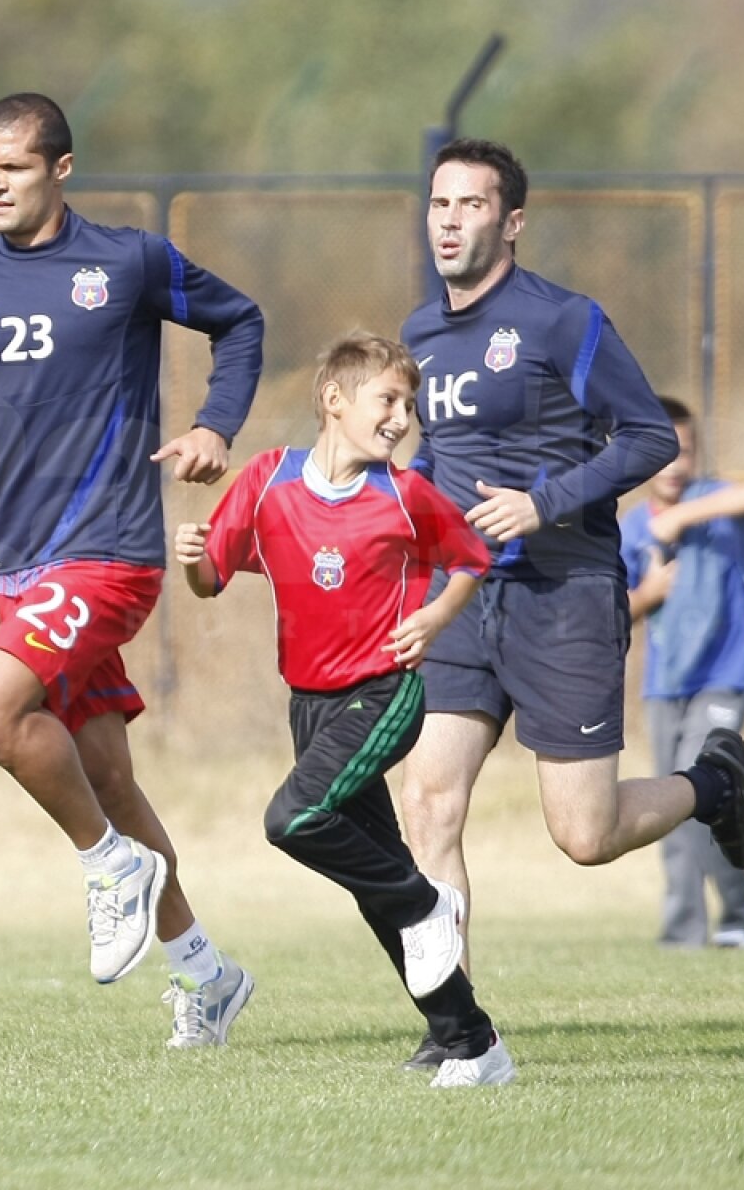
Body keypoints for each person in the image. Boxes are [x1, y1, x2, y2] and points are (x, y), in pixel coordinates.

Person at [0, 92, 263, 1048]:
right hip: (19, 566)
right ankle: (207, 976)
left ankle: (107, 865)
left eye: (14, 167)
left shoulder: (125, 261)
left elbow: (241, 322)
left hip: (109, 552)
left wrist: (215, 426)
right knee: (110, 778)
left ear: (61, 168)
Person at [397, 138, 744, 1069]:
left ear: (512, 223)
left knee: (584, 833)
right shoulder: (420, 334)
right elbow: (431, 465)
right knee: (428, 799)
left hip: (565, 593)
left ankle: (713, 785)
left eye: (471, 205)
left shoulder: (562, 321)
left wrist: (545, 500)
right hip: (468, 597)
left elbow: (648, 437)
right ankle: (458, 1030)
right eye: (439, 203)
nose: (449, 220)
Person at [175, 334, 516, 1088]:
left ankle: (429, 907)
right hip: (310, 707)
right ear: (334, 400)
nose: (401, 418)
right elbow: (210, 582)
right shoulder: (268, 481)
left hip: (383, 694)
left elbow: (470, 560)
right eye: (387, 401)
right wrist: (194, 556)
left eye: (409, 406)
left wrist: (432, 620)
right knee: (373, 881)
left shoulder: (404, 494)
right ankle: (473, 1042)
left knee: (291, 819)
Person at [621, 395, 744, 949]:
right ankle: (683, 932)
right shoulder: (632, 528)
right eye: (664, 453)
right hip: (664, 685)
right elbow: (618, 609)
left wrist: (682, 517)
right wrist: (650, 592)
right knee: (670, 805)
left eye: (685, 452)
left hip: (724, 674)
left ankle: (736, 916)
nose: (676, 465)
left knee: (704, 782)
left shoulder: (715, 502)